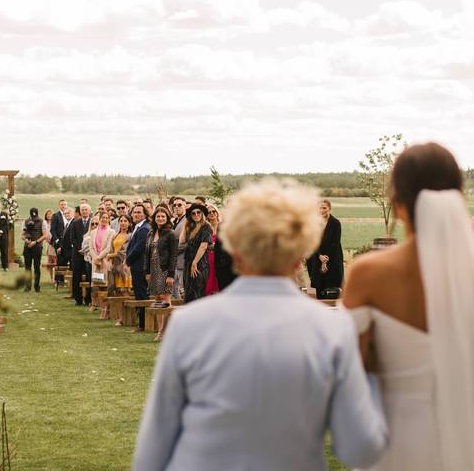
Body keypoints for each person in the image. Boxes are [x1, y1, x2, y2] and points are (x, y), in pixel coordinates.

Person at [134, 179, 388, 471]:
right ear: (299, 255)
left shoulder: (188, 325)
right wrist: (372, 371)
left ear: (236, 253)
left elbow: (151, 455)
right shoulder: (332, 329)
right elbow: (361, 448)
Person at [342, 142, 474, 471]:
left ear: (398, 204)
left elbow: (352, 374)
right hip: (472, 437)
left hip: (397, 441)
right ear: (458, 198)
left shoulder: (368, 275)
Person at [146, 206, 177, 340]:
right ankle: (160, 330)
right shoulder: (151, 233)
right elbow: (146, 254)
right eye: (158, 216)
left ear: (167, 218)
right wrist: (147, 271)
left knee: (166, 300)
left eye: (163, 216)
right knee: (158, 300)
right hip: (153, 270)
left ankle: (165, 332)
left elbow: (174, 256)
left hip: (165, 270)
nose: (160, 218)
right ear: (154, 218)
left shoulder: (171, 233)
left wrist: (170, 275)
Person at [308, 199, 344, 298]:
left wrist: (325, 259)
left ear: (329, 209)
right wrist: (320, 256)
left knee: (332, 288)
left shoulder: (336, 223)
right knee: (319, 285)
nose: (322, 210)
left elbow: (335, 243)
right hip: (317, 256)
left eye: (324, 208)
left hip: (332, 257)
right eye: (320, 208)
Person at [126, 202, 151, 330]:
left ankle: (143, 324)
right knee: (138, 294)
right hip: (136, 266)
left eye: (139, 212)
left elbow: (138, 249)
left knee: (142, 295)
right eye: (134, 212)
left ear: (145, 214)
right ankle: (142, 322)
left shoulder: (145, 228)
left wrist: (128, 260)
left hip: (140, 267)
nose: (136, 214)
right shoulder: (138, 227)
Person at [181, 202, 212, 303]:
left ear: (202, 213)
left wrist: (195, 263)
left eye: (198, 212)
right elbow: (181, 241)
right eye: (193, 213)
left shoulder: (206, 227)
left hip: (200, 264)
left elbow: (203, 246)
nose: (196, 215)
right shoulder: (191, 227)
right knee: (188, 293)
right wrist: (186, 222)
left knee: (197, 294)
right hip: (189, 263)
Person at [105, 213, 133, 323]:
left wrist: (110, 255)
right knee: (117, 292)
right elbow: (112, 249)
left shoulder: (130, 235)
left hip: (124, 267)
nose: (123, 223)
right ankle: (120, 317)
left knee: (125, 291)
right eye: (121, 221)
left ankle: (128, 318)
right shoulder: (116, 235)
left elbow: (124, 252)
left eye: (125, 221)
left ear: (129, 223)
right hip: (115, 266)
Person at [64, 203, 92, 305]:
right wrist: (80, 248)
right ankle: (78, 298)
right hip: (77, 253)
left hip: (89, 253)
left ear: (89, 211)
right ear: (80, 212)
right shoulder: (75, 223)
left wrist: (86, 249)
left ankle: (89, 299)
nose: (84, 211)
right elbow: (72, 238)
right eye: (82, 210)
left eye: (86, 209)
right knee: (77, 277)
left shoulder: (93, 222)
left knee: (89, 277)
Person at [22, 207, 48, 292]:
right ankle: (27, 286)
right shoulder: (25, 221)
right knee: (27, 267)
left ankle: (37, 286)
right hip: (27, 246)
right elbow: (22, 234)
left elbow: (45, 235)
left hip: (37, 246)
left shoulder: (42, 222)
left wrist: (36, 242)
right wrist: (25, 239)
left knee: (37, 267)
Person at [169, 196, 188, 299]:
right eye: (174, 205)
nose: (176, 207)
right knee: (173, 292)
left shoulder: (187, 220)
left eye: (179, 205)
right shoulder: (174, 221)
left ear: (185, 206)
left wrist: (173, 252)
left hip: (182, 262)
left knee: (184, 290)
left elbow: (188, 242)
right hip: (173, 264)